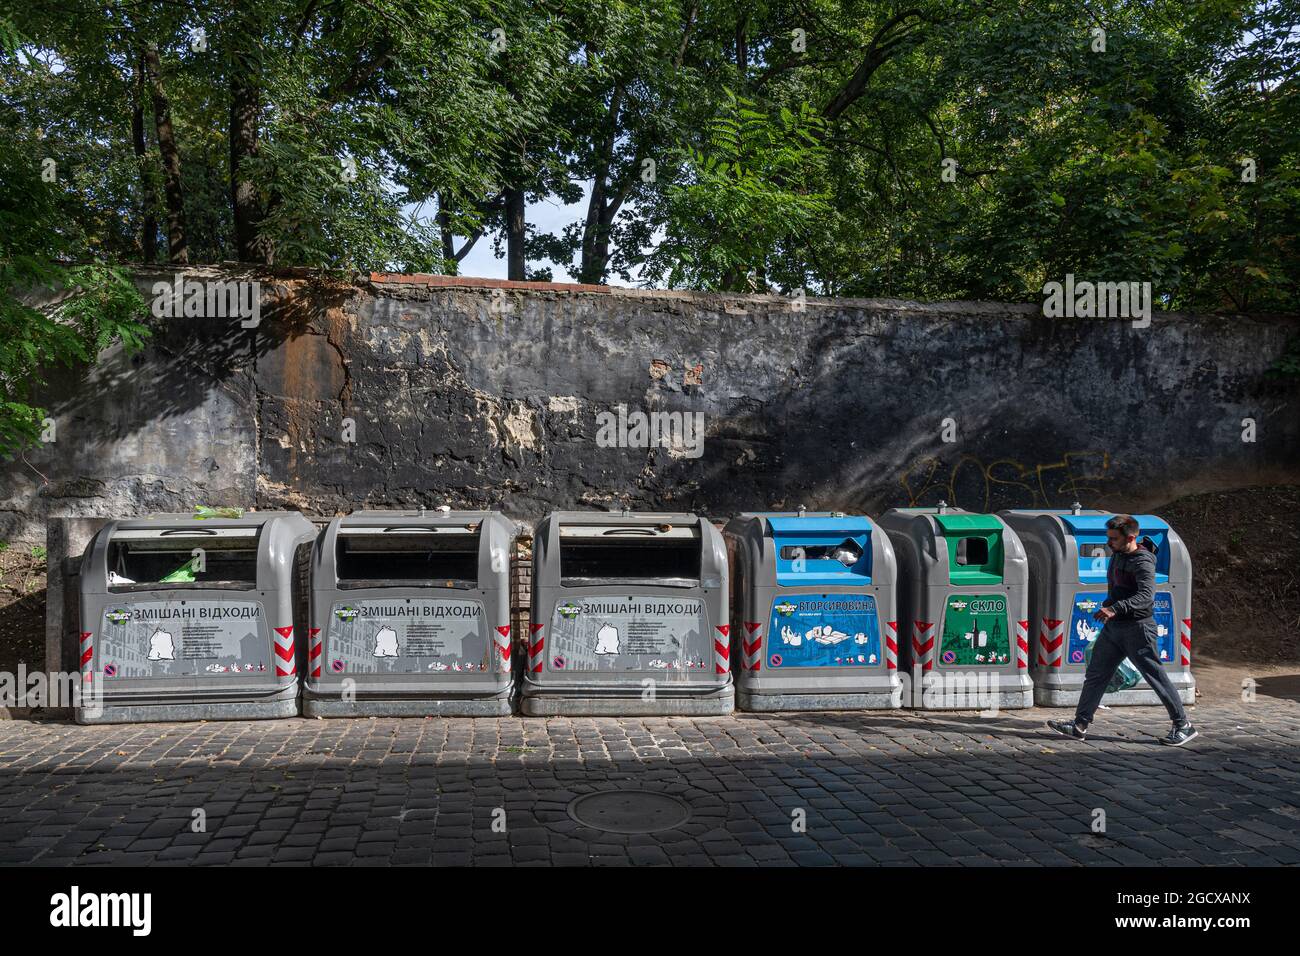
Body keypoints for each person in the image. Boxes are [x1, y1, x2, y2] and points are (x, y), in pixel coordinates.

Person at [1048, 514, 1197, 746]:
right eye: (1108, 537)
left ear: (1130, 537)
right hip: (1115, 628)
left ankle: (1183, 725)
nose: (1109, 543)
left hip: (1138, 629)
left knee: (1155, 676)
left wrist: (1115, 608)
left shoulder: (1142, 561)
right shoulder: (1117, 555)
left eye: (1113, 539)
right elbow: (1118, 587)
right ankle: (1079, 725)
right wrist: (1109, 604)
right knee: (1096, 674)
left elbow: (1146, 596)